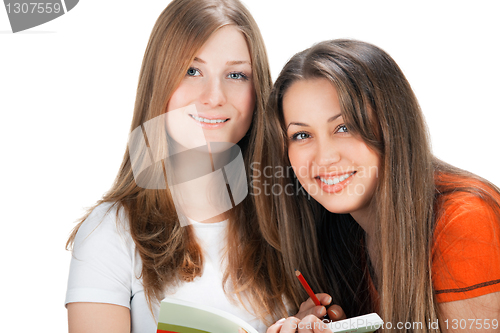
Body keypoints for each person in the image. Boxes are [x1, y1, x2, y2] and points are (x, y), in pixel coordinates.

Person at [65, 1, 298, 332]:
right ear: (160, 82)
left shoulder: (289, 220)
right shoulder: (112, 231)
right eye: (192, 70)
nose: (214, 96)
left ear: (257, 89)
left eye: (236, 75)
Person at [256, 39, 500, 332]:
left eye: (344, 127)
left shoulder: (464, 219)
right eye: (301, 135)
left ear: (391, 125)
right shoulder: (339, 231)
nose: (325, 158)